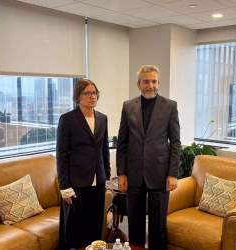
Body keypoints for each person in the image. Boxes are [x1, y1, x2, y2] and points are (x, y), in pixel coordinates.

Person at [116, 65, 181, 250]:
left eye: (154, 81)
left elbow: (175, 142)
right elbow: (122, 143)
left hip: (160, 173)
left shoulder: (170, 106)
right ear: (139, 84)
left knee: (158, 221)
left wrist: (173, 174)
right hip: (134, 173)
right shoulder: (128, 106)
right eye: (146, 81)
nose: (150, 85)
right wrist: (122, 173)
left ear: (158, 83)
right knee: (134, 219)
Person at [56, 79, 110, 249]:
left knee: (94, 225)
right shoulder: (67, 120)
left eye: (94, 93)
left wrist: (106, 176)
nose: (92, 96)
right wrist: (65, 187)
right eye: (87, 93)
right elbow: (61, 155)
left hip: (98, 181)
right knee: (75, 229)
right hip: (76, 183)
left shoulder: (102, 118)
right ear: (78, 97)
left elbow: (104, 150)